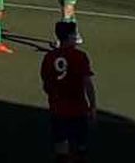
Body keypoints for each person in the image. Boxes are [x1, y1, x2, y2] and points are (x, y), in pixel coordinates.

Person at [41, 20, 95, 162]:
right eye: (74, 35)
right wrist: (93, 105)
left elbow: (46, 83)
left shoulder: (49, 57)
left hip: (57, 109)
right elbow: (87, 83)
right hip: (78, 109)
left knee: (61, 149)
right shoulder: (80, 56)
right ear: (70, 36)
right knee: (80, 147)